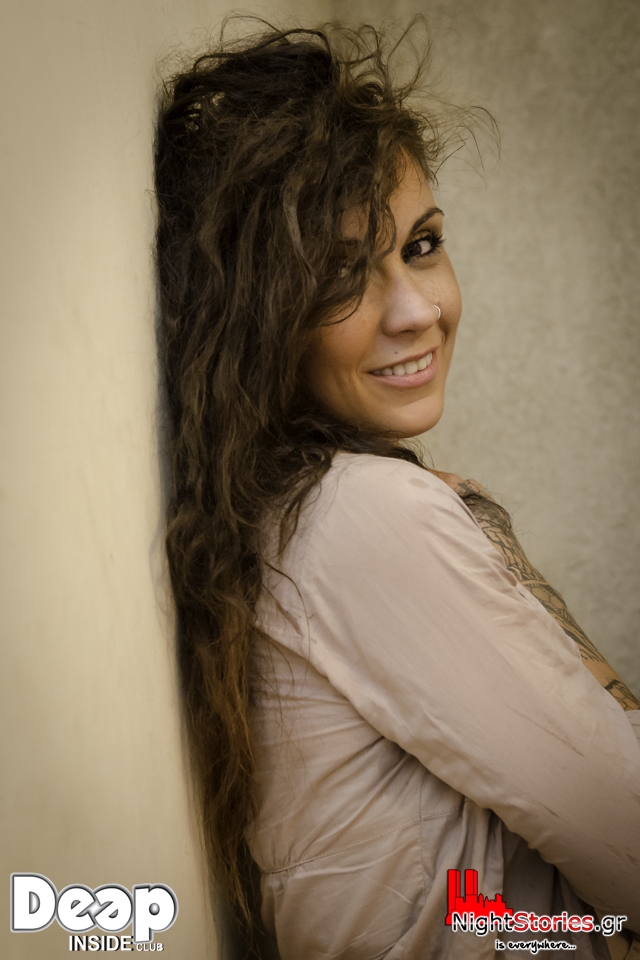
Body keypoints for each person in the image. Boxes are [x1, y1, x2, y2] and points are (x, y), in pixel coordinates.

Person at [154, 21, 640, 960]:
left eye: (422, 246)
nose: (419, 310)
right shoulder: (364, 515)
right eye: (340, 275)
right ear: (257, 318)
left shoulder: (283, 511)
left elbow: (510, 920)